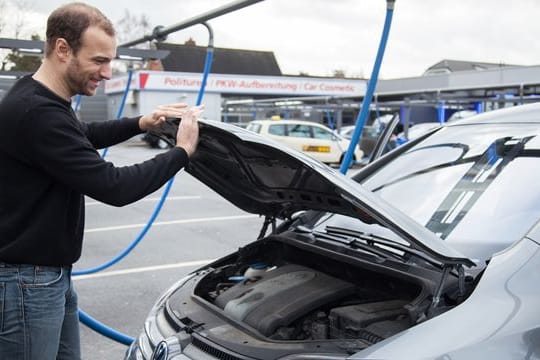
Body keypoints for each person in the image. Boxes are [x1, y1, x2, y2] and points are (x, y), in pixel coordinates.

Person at [0, 2, 202, 359]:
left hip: (44, 276)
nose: (108, 73)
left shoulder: (36, 97)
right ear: (63, 49)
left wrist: (141, 122)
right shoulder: (39, 113)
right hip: (27, 283)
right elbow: (115, 186)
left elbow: (82, 133)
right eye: (98, 61)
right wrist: (181, 152)